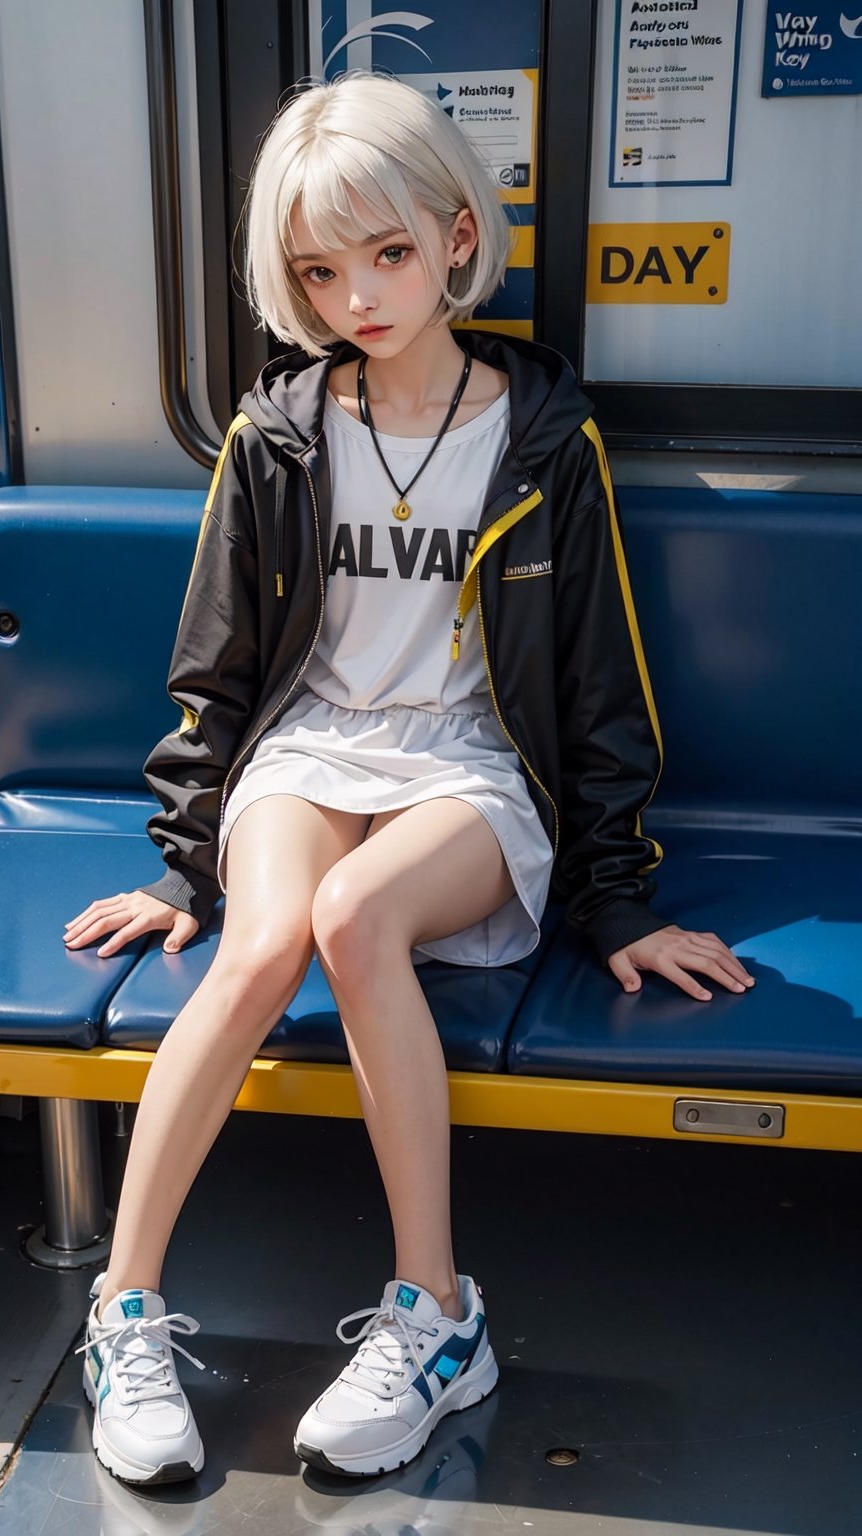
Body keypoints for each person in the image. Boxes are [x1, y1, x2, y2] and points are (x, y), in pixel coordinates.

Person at [64, 72, 753, 1486]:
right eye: (321, 269)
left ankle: (439, 1319)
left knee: (355, 919)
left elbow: (596, 680)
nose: (358, 296)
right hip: (312, 749)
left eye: (386, 254)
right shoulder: (277, 432)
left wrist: (620, 903)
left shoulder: (546, 437)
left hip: (469, 766)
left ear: (454, 237)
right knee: (259, 943)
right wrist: (179, 859)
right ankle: (121, 1309)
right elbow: (224, 665)